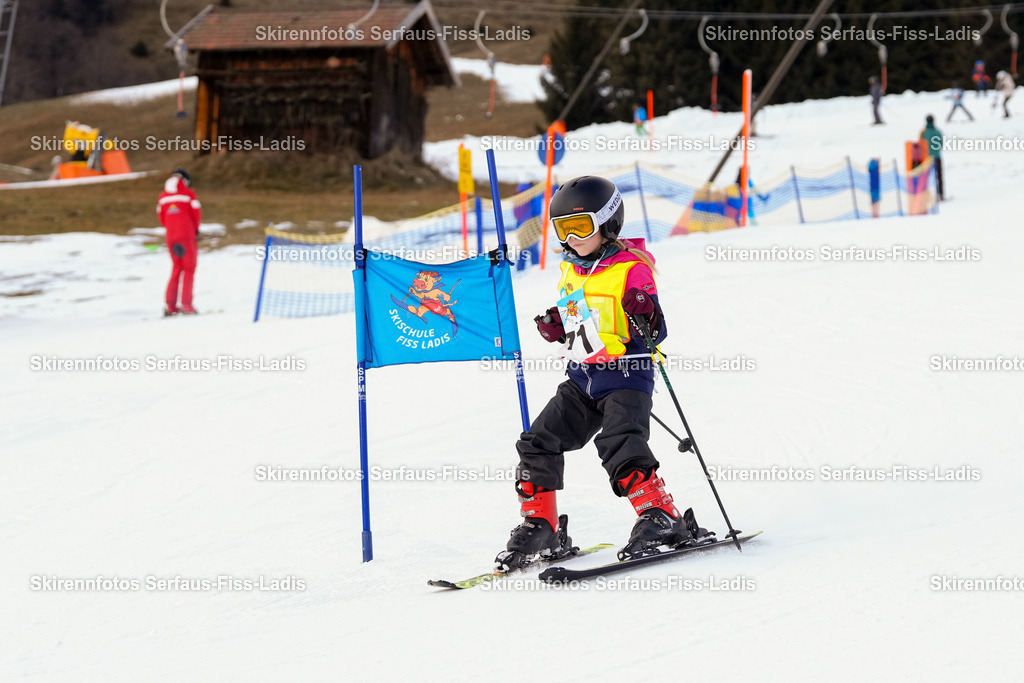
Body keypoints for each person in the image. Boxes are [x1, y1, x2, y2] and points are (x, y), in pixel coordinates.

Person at [494, 176, 713, 571]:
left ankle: (661, 515)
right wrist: (558, 324)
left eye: (580, 227)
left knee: (619, 442)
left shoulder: (632, 268)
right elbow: (580, 315)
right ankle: (541, 523)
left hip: (627, 375)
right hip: (583, 378)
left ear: (608, 223)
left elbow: (656, 330)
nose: (571, 238)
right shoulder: (572, 269)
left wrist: (644, 308)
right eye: (563, 229)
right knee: (537, 442)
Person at [157, 168, 202, 315]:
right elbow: (196, 213)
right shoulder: (188, 195)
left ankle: (170, 306)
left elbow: (162, 218)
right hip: (186, 236)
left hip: (171, 237)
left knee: (177, 268)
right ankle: (187, 305)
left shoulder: (162, 196)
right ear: (185, 180)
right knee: (189, 269)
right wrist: (195, 230)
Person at [920, 115, 944, 201]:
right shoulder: (938, 132)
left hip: (927, 158)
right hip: (937, 156)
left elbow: (920, 144)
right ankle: (941, 194)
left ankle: (928, 196)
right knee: (939, 177)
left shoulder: (924, 132)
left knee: (927, 178)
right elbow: (941, 143)